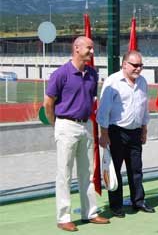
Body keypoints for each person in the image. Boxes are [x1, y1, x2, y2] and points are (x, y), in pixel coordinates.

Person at [44, 36, 109, 232]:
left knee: (86, 173)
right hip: (66, 126)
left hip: (85, 126)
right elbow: (48, 103)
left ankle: (90, 213)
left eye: (92, 48)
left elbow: (90, 99)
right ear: (76, 48)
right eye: (88, 48)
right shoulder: (61, 73)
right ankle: (63, 217)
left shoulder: (92, 73)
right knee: (64, 173)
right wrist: (56, 124)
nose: (92, 51)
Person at [97, 50, 155, 218]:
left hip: (136, 132)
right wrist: (104, 134)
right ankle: (116, 205)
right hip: (116, 132)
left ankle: (138, 201)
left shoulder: (143, 82)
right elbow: (103, 112)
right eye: (135, 65)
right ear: (124, 64)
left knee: (136, 169)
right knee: (115, 170)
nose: (138, 69)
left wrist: (144, 129)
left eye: (141, 66)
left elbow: (144, 108)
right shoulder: (112, 82)